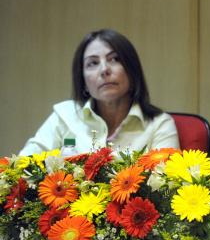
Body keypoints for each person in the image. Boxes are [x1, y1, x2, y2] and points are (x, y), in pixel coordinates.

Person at [20, 29, 179, 155]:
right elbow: (23, 167)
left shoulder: (159, 125)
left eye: (114, 59)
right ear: (84, 81)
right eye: (93, 63)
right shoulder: (64, 116)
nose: (104, 70)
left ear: (132, 70)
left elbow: (165, 187)